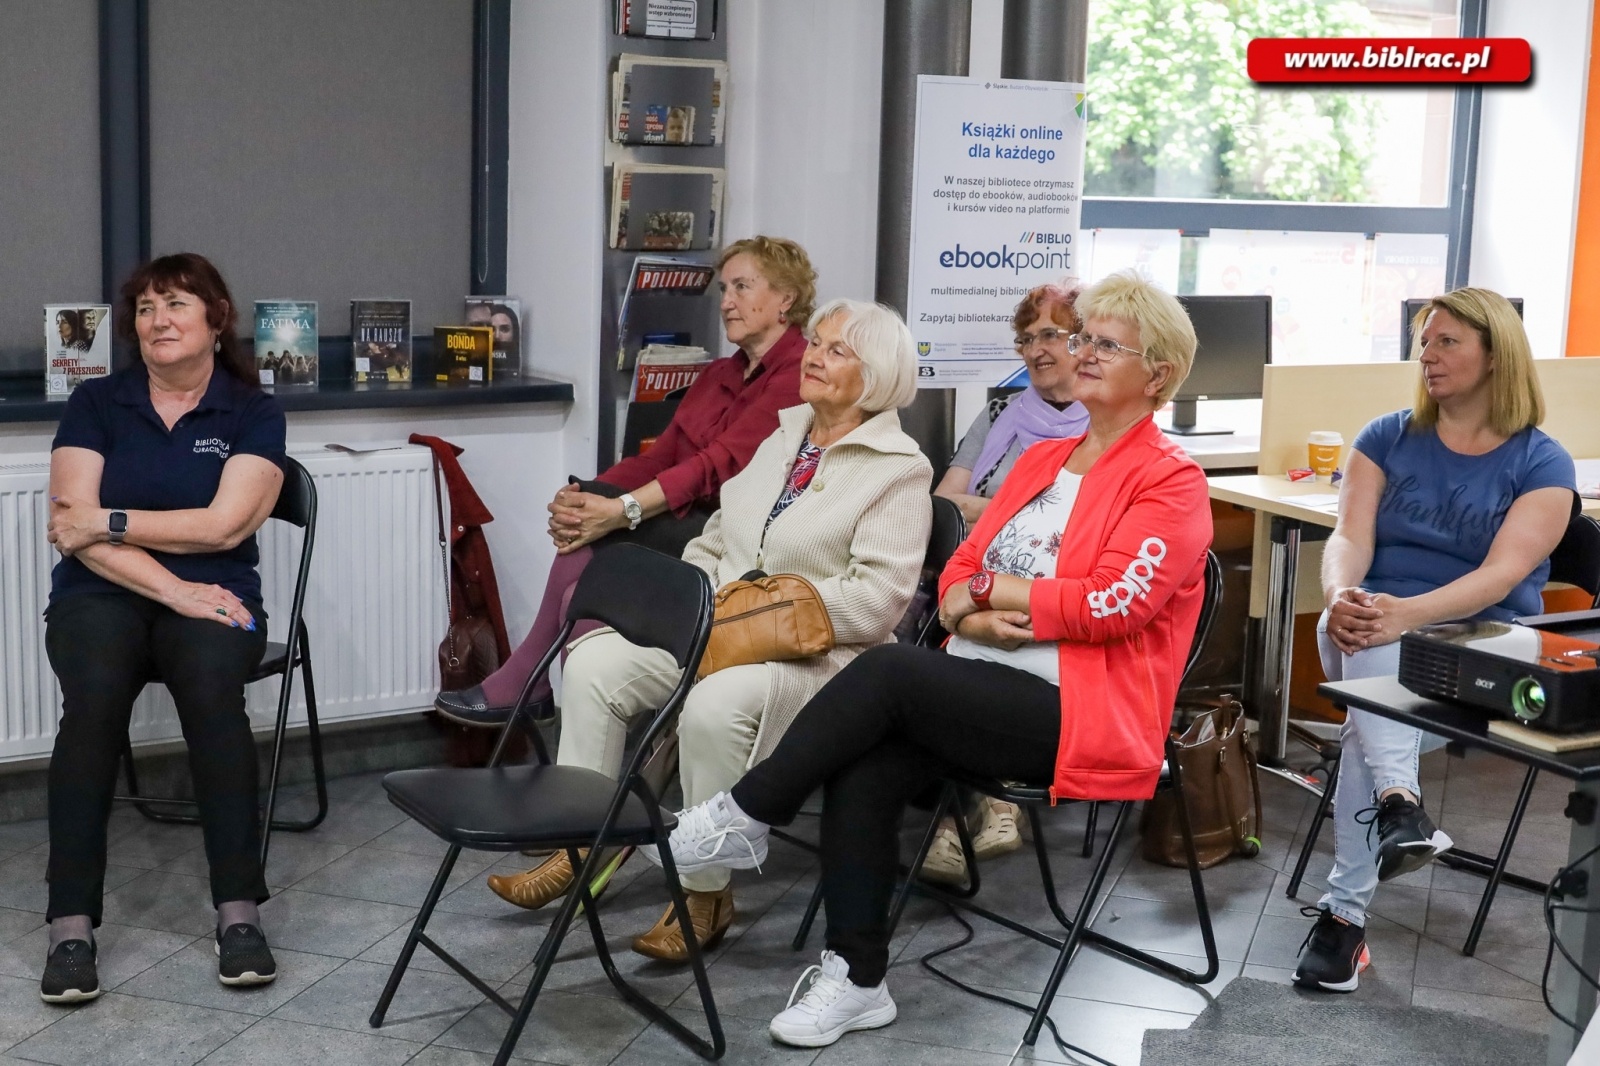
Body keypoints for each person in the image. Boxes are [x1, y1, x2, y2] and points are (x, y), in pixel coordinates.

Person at [645, 271, 1212, 1048]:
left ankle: (746, 813)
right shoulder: (1043, 461)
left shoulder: (1172, 481)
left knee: (883, 669)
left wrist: (996, 594)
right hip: (979, 683)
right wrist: (973, 598)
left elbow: (1113, 604)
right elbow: (954, 573)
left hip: (1078, 712)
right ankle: (857, 978)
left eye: (1105, 345)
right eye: (1082, 338)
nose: (1080, 354)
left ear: (1158, 375)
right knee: (866, 760)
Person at [485, 299, 932, 968]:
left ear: (877, 376)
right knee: (594, 664)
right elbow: (715, 537)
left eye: (837, 350)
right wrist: (697, 606)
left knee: (713, 705)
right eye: (815, 342)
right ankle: (583, 842)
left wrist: (759, 612)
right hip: (720, 629)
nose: (813, 355)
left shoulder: (898, 468)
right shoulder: (787, 438)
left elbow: (875, 602)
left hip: (820, 657)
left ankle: (705, 891)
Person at [1293, 287, 1577, 993]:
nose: (1427, 355)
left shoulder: (1542, 462)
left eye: (1446, 341)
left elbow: (1503, 574)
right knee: (1364, 637)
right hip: (1369, 631)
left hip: (1487, 643)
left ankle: (1348, 909)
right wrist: (1339, 597)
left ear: (1494, 355)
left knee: (1369, 712)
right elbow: (1350, 538)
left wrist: (1406, 614)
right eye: (1424, 342)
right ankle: (1397, 807)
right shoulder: (1385, 436)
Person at [434, 236, 816, 727]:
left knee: (596, 554)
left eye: (742, 287)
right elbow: (663, 456)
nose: (726, 302)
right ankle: (579, 737)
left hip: (731, 537)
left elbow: (715, 466)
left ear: (785, 298)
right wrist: (587, 496)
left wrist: (621, 511)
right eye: (724, 289)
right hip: (681, 521)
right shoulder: (720, 373)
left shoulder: (795, 376)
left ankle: (526, 683)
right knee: (581, 597)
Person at [40, 252, 288, 1003]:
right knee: (92, 703)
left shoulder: (252, 410)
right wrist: (176, 586)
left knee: (215, 694)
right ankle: (70, 926)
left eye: (176, 304)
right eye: (145, 308)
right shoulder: (96, 404)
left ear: (217, 318)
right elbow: (67, 529)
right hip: (103, 595)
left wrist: (112, 523)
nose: (158, 321)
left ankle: (239, 913)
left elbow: (221, 529)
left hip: (218, 597)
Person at [925, 280, 1089, 883]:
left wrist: (986, 511)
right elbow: (944, 504)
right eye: (1026, 338)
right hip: (976, 573)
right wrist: (999, 518)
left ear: (1084, 342)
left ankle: (974, 809)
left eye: (1051, 334)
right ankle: (975, 809)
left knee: (972, 664)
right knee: (941, 647)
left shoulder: (1103, 428)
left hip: (1048, 590)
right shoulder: (998, 413)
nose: (1036, 349)